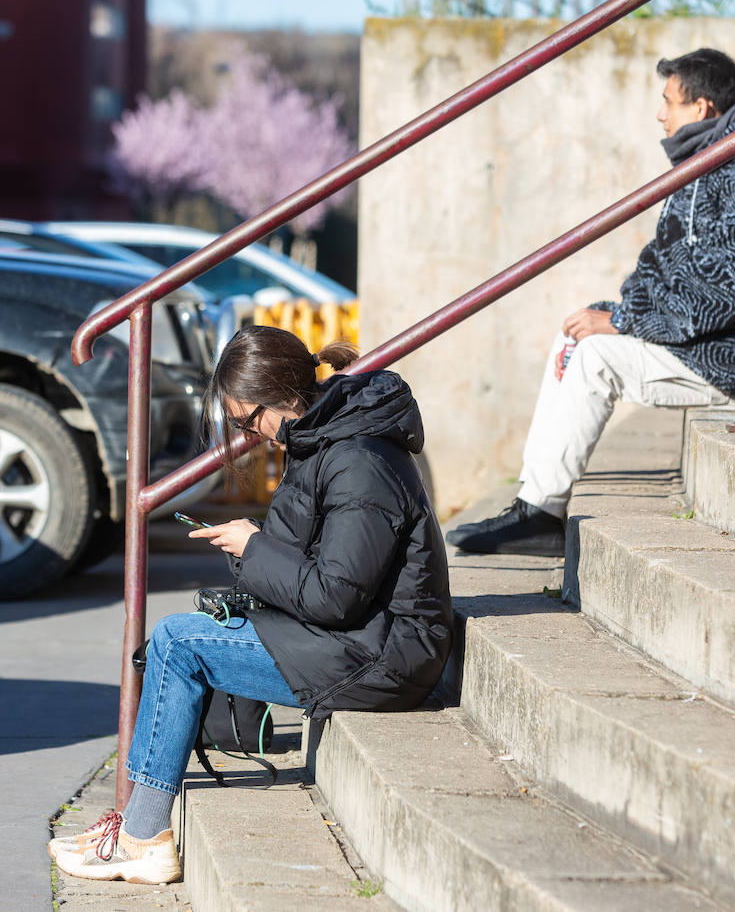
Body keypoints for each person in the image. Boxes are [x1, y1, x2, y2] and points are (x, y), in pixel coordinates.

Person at [50, 325, 453, 885]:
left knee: (177, 643)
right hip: (360, 638)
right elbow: (320, 565)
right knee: (183, 635)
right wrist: (250, 545)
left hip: (384, 656)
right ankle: (137, 823)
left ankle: (142, 835)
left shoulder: (359, 460)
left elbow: (335, 595)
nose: (250, 434)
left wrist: (254, 547)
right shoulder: (321, 441)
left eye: (247, 419)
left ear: (286, 393)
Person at [447, 47, 735, 557]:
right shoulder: (713, 161)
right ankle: (532, 504)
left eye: (669, 101)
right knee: (576, 334)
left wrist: (624, 321)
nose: (660, 113)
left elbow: (734, 291)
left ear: (703, 108)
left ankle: (540, 512)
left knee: (596, 355)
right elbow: (666, 268)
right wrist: (615, 312)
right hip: (713, 345)